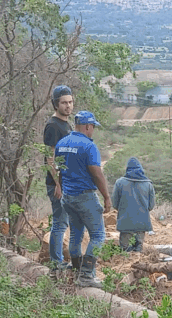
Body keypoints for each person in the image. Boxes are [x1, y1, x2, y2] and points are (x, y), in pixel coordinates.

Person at [55, 110, 112, 288]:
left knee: (76, 234)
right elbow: (97, 173)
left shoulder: (62, 143)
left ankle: (77, 271)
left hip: (68, 197)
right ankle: (87, 275)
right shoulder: (89, 146)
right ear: (88, 126)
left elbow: (58, 170)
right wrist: (107, 197)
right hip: (85, 196)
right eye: (92, 127)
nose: (92, 130)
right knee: (98, 235)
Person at [43, 85, 74, 276]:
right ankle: (56, 262)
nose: (68, 106)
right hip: (58, 184)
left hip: (67, 182)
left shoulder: (66, 125)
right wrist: (58, 184)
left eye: (70, 102)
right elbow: (50, 157)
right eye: (64, 102)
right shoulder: (53, 126)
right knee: (60, 223)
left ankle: (59, 260)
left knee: (63, 222)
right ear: (56, 104)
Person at [111, 157, 155, 253]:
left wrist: (123, 209)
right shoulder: (148, 184)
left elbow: (114, 204)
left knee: (125, 252)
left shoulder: (120, 183)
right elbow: (151, 206)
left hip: (125, 223)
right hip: (142, 223)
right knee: (138, 251)